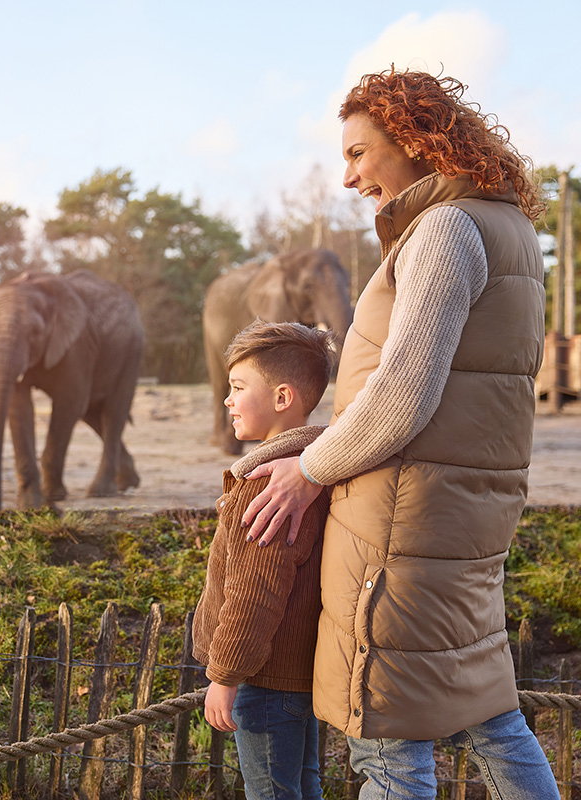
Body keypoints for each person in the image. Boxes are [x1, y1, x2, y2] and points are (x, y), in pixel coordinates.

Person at [239, 68, 557, 798]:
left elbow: (404, 393)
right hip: (463, 524)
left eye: (358, 153)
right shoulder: (506, 224)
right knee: (490, 716)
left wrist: (308, 467)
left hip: (399, 531)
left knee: (384, 743)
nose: (347, 176)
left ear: (414, 139)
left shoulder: (444, 229)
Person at [193, 321, 336, 800]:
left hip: (264, 678)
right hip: (298, 675)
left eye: (237, 388)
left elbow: (254, 596)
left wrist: (224, 675)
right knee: (303, 786)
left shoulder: (269, 488)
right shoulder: (313, 470)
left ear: (282, 398)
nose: (227, 401)